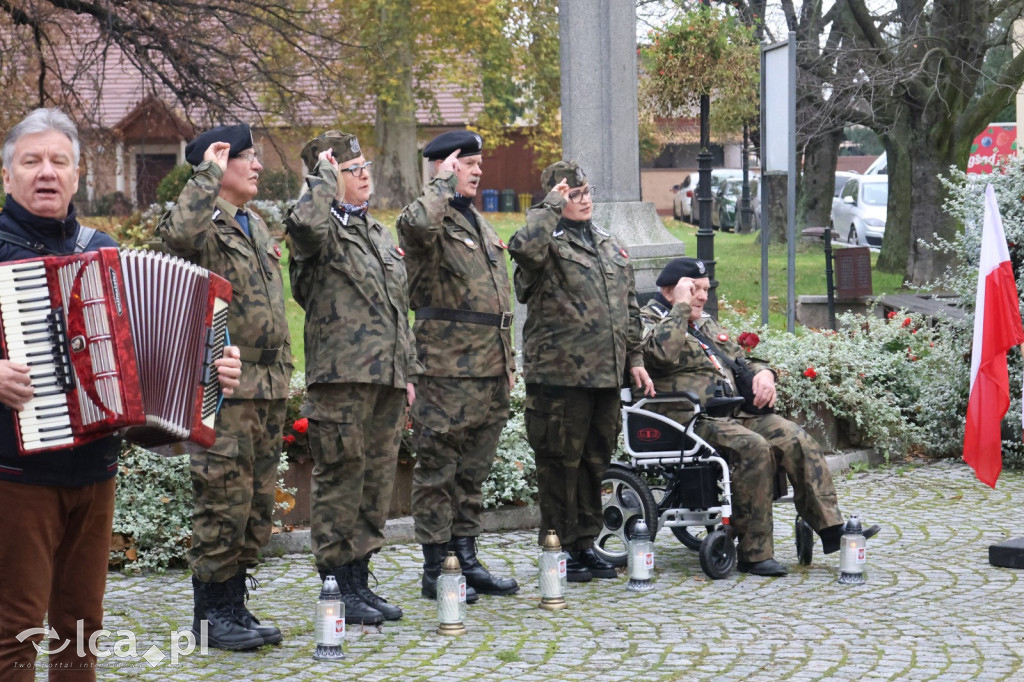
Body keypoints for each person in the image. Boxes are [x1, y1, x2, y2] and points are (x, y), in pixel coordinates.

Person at [0, 108, 241, 680]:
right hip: (15, 479)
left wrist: (216, 372)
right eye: (31, 161)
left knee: (81, 628)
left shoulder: (102, 251)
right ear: (7, 175)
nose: (46, 173)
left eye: (59, 161)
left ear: (79, 175)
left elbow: (161, 361)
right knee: (13, 632)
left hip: (95, 472)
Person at [638, 257, 879, 576]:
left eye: (705, 289)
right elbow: (659, 355)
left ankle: (831, 528)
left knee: (795, 437)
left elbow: (739, 359)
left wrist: (765, 374)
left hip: (731, 412)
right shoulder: (647, 320)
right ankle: (754, 553)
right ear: (670, 291)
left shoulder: (704, 322)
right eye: (694, 289)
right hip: (686, 419)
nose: (702, 296)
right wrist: (681, 309)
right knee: (754, 447)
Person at [158, 124, 293, 648]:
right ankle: (210, 617)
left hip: (267, 383)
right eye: (246, 158)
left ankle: (235, 605)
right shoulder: (205, 224)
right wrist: (205, 173)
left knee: (257, 504)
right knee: (223, 499)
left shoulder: (254, 224)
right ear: (219, 167)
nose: (257, 166)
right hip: (223, 387)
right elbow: (178, 236)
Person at [284, 131, 416, 625]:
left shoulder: (377, 234)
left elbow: (398, 311)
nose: (365, 175)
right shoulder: (316, 232)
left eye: (365, 166)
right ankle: (336, 581)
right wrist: (320, 179)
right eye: (351, 169)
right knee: (341, 480)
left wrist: (408, 371)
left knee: (375, 482)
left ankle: (359, 578)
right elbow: (305, 222)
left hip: (384, 379)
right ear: (326, 178)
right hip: (340, 379)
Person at [507, 161, 654, 582]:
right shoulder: (544, 243)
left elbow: (629, 310)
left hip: (604, 377)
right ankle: (558, 547)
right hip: (559, 378)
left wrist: (636, 360)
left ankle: (585, 542)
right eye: (573, 194)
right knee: (559, 465)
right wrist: (552, 204)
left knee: (594, 462)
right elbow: (522, 248)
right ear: (555, 199)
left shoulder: (608, 244)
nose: (584, 198)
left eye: (586, 191)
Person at [397, 130, 518, 601]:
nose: (478, 170)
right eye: (468, 163)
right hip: (445, 370)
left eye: (478, 163)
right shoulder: (428, 218)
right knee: (438, 471)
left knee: (472, 473)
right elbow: (416, 228)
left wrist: (507, 362)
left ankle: (465, 557)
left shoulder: (478, 224)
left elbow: (495, 302)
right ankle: (437, 568)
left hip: (487, 368)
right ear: (444, 166)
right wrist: (441, 184)